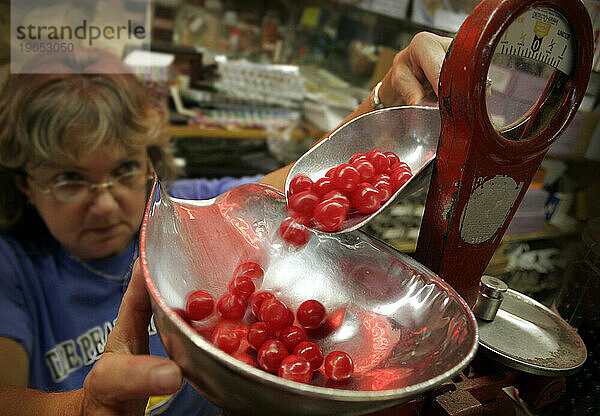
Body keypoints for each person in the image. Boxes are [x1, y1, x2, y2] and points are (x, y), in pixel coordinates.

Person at [0, 31, 451, 415]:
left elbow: (297, 193)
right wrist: (78, 409)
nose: (104, 204)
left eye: (123, 171)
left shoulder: (190, 214)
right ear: (24, 182)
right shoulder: (13, 268)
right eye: (69, 180)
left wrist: (387, 104)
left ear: (148, 160)